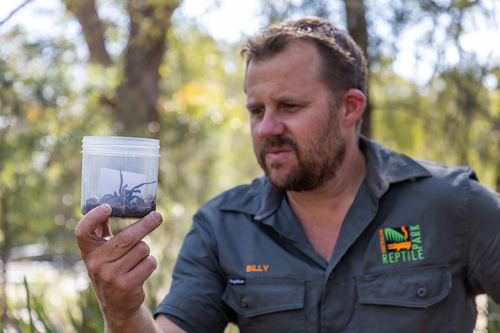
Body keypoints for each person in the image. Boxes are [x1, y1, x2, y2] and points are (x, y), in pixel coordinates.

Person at [75, 17, 500, 333]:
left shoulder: (456, 205)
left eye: (290, 107)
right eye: (256, 111)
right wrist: (124, 310)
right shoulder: (222, 227)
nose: (266, 128)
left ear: (350, 108)